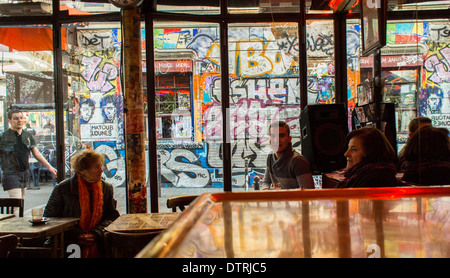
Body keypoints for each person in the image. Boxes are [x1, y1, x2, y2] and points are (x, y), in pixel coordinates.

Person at [44, 150, 120, 258]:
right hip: (68, 242)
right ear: (82, 171)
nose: (101, 170)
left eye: (101, 166)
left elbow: (112, 216)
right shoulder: (63, 189)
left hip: (98, 240)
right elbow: (49, 218)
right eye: (96, 167)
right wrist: (77, 235)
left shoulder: (106, 188)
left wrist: (95, 233)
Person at [0, 110, 57, 198]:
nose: (19, 120)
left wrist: (49, 167)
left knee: (21, 203)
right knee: (17, 203)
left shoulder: (27, 135)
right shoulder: (3, 137)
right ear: (9, 121)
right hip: (10, 173)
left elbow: (36, 153)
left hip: (25, 173)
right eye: (16, 118)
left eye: (21, 118)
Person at [261, 121, 314, 190]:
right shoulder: (270, 157)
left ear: (289, 139)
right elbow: (266, 182)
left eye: (281, 136)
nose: (276, 140)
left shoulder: (298, 161)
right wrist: (266, 191)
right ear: (269, 139)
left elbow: (308, 194)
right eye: (273, 136)